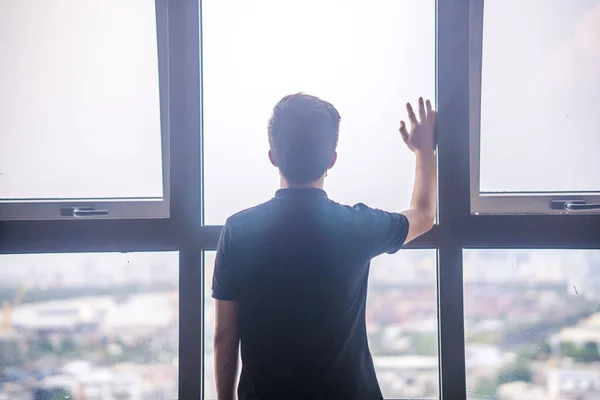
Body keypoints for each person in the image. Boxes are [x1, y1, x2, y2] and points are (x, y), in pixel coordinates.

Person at [212, 93, 437, 400]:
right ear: (332, 159)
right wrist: (423, 152)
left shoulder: (238, 230)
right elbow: (423, 216)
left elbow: (225, 336)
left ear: (273, 156)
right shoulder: (356, 226)